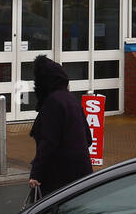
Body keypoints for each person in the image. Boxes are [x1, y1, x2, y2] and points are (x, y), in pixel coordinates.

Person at [27, 55, 93, 198]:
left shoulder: (53, 103)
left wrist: (36, 173)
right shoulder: (71, 99)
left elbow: (48, 143)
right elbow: (88, 138)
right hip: (81, 174)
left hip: (58, 178)